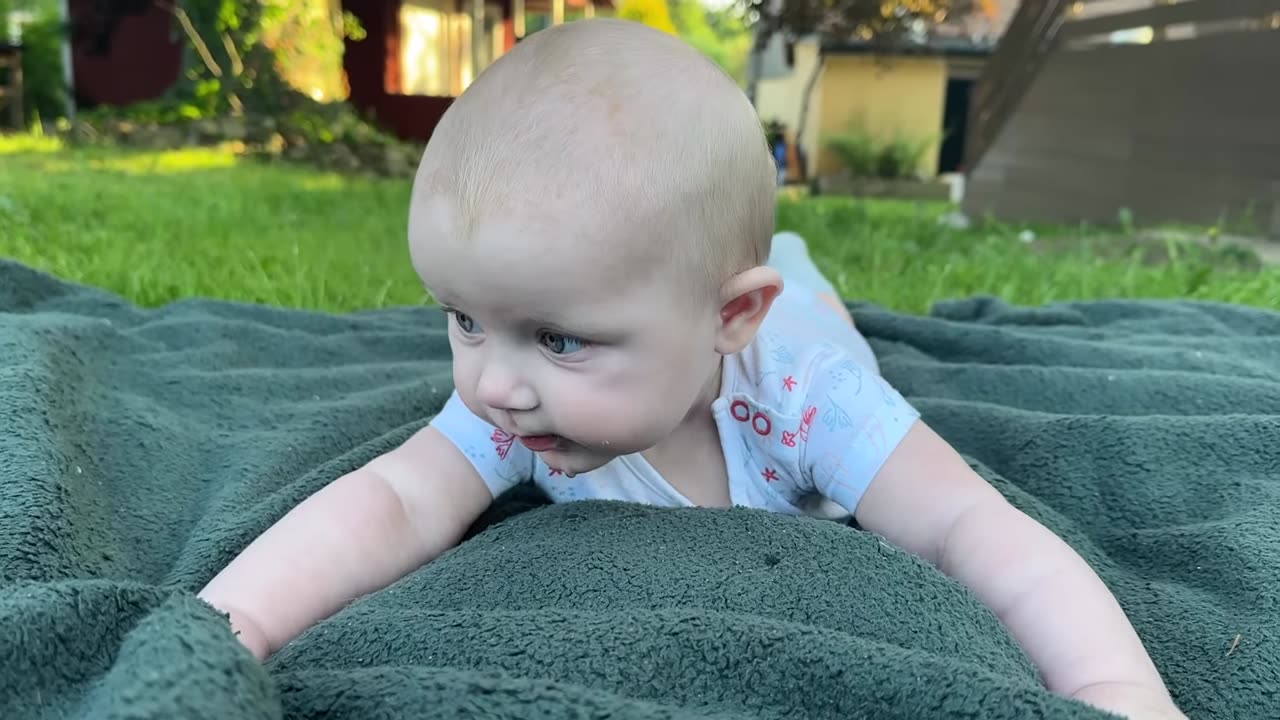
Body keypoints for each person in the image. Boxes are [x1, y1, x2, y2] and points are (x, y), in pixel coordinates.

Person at [198, 18, 1185, 720]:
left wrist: (1113, 688)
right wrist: (231, 622)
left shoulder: (808, 406)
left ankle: (792, 270)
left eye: (557, 338)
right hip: (728, 309)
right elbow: (391, 503)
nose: (493, 384)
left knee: (814, 307)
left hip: (800, 338)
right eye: (461, 319)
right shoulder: (515, 408)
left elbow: (975, 530)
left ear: (726, 318)